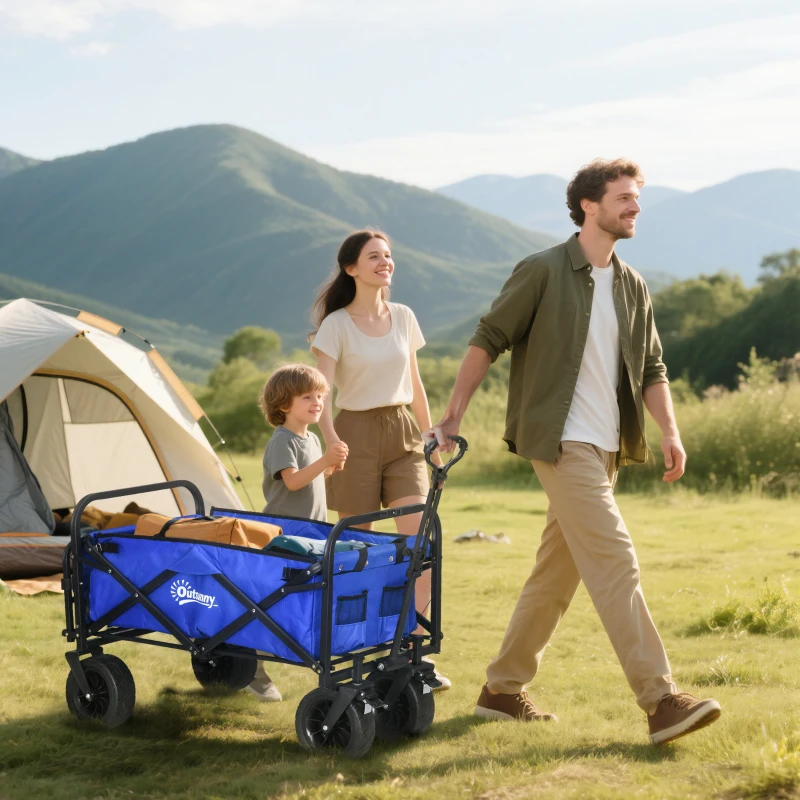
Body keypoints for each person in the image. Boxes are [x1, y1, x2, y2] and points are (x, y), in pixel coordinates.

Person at [429, 159, 721, 744]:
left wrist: (670, 430)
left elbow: (654, 369)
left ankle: (501, 692)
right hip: (561, 440)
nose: (635, 207)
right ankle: (660, 700)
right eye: (624, 198)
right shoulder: (541, 270)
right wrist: (453, 415)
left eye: (637, 198)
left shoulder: (633, 284)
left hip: (607, 446)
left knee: (554, 575)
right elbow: (488, 339)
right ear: (589, 205)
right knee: (615, 559)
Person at [311, 229, 450, 691]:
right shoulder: (336, 326)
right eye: (374, 256)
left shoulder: (404, 317)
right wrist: (330, 440)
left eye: (388, 255)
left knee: (420, 546)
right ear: (351, 268)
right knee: (357, 551)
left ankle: (407, 649)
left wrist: (431, 433)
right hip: (353, 433)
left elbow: (415, 380)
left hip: (403, 433)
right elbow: (322, 394)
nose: (384, 262)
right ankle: (351, 651)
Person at [248, 363, 348, 702]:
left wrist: (331, 466)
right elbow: (292, 481)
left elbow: (311, 479)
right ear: (283, 405)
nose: (317, 402)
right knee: (270, 603)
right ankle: (255, 673)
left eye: (320, 395)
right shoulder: (282, 441)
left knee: (301, 599)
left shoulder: (312, 439)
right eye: (307, 396)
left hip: (310, 533)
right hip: (284, 534)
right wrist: (323, 463)